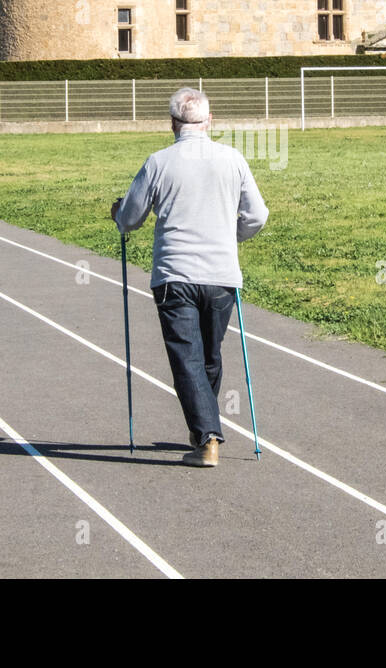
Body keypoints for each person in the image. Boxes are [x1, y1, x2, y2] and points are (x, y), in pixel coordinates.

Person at [111, 87, 269, 467]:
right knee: (208, 355)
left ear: (172, 124)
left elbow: (130, 218)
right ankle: (205, 428)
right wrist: (229, 237)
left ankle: (207, 435)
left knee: (188, 357)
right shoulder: (232, 158)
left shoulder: (158, 162)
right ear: (210, 121)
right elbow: (257, 216)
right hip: (220, 276)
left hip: (175, 275)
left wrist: (117, 212)